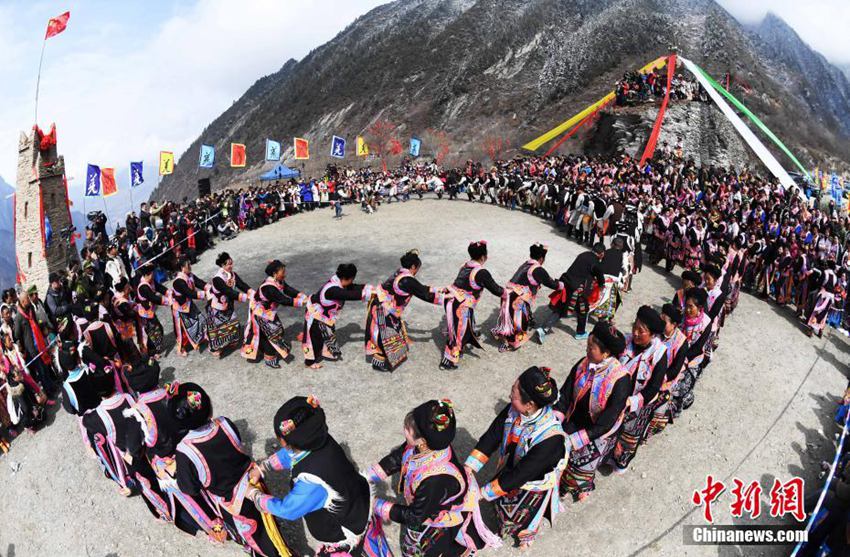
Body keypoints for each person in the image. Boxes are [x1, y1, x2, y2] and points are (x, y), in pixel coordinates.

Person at [170, 382, 292, 556]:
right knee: (268, 522)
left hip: (233, 503)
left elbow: (189, 488)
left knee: (257, 538)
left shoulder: (185, 451)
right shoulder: (224, 423)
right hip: (254, 481)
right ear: (209, 407)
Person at [368, 399, 500, 556]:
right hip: (427, 504)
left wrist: (375, 504)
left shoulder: (434, 479)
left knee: (428, 548)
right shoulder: (427, 445)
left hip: (436, 517)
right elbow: (400, 456)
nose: (405, 430)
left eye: (408, 430)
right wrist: (369, 477)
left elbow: (415, 516)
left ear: (423, 442)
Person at [247, 396, 372, 555]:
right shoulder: (320, 439)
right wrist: (263, 467)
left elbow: (288, 510)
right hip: (357, 504)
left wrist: (254, 494)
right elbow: (291, 454)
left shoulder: (311, 481)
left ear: (283, 442)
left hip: (343, 533)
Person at [465, 367, 566, 549]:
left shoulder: (550, 438)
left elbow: (521, 474)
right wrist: (470, 466)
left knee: (525, 513)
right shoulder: (515, 408)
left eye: (514, 394)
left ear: (529, 405)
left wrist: (481, 493)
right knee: (503, 504)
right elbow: (493, 434)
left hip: (532, 481)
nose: (510, 396)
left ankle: (526, 535)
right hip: (515, 464)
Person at [124, 366, 227, 541]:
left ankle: (215, 527)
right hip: (192, 445)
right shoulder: (171, 393)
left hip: (169, 463)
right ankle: (225, 510)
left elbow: (133, 448)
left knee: (191, 499)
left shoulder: (139, 412)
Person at [556, 322, 629, 501]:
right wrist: (556, 419)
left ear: (606, 354)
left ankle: (581, 484)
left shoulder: (620, 379)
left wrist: (576, 439)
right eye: (588, 346)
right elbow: (565, 392)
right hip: (574, 417)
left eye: (592, 348)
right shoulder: (584, 363)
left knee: (579, 465)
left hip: (596, 429)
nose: (587, 351)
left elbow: (606, 422)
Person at [364, 250, 445, 372]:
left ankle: (382, 357)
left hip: (383, 306)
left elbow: (420, 288)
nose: (417, 271)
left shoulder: (400, 272)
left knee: (391, 334)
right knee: (385, 338)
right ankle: (378, 362)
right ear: (413, 266)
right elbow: (424, 294)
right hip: (384, 310)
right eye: (417, 268)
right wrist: (447, 300)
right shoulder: (407, 280)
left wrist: (439, 289)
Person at [610, 306, 668, 472]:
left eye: (640, 331)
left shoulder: (659, 353)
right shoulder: (626, 342)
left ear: (652, 334)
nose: (635, 333)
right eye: (634, 327)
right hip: (616, 397)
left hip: (638, 402)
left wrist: (631, 401)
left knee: (627, 436)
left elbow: (653, 387)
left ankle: (619, 462)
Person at [440, 241, 503, 370]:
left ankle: (471, 332)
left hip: (454, 299)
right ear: (483, 257)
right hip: (460, 304)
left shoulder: (465, 265)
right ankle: (449, 360)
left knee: (465, 323)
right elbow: (496, 289)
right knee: (459, 332)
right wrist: (507, 293)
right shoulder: (481, 272)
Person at [491, 244, 563, 353]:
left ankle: (504, 336)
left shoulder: (526, 264)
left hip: (507, 295)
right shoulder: (538, 269)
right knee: (517, 323)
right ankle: (510, 342)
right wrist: (561, 285)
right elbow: (552, 284)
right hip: (517, 299)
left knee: (508, 319)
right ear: (542, 258)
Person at [302, 264, 372, 370]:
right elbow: (350, 295)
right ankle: (309, 362)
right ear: (348, 278)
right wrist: (370, 294)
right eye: (352, 279)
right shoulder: (333, 290)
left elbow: (353, 287)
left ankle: (324, 350)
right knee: (315, 339)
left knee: (326, 334)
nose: (352, 282)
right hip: (315, 315)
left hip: (324, 315)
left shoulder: (339, 282)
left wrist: (369, 288)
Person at [242, 260, 307, 368]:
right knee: (272, 334)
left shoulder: (278, 281)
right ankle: (269, 357)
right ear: (274, 274)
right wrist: (302, 302)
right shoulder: (269, 287)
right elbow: (283, 300)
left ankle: (257, 351)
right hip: (260, 313)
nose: (285, 274)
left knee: (271, 332)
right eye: (282, 271)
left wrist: (302, 295)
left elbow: (287, 289)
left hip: (268, 312)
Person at [538, 242, 605, 342]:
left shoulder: (583, 254)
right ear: (601, 254)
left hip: (566, 282)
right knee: (583, 310)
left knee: (561, 308)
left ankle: (543, 329)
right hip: (578, 290)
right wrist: (601, 285)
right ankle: (580, 333)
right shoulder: (595, 261)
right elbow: (600, 275)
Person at [645, 303, 689, 439]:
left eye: (664, 321)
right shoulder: (656, 333)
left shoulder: (681, 342)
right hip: (648, 372)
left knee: (656, 406)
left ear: (674, 324)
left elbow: (675, 370)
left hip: (665, 378)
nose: (660, 323)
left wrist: (658, 378)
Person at [670, 287, 713, 414]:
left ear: (699, 307)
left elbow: (698, 347)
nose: (687, 310)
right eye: (687, 306)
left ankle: (681, 404)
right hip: (676, 352)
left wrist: (682, 359)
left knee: (681, 386)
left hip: (692, 358)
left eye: (691, 307)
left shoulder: (706, 323)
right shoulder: (682, 316)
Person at [206, 252, 252, 358]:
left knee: (233, 323)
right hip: (217, 307)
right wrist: (246, 297)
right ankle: (214, 347)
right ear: (222, 265)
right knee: (218, 329)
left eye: (231, 263)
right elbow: (228, 292)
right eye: (228, 264)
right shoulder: (217, 279)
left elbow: (241, 284)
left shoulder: (232, 274)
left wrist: (252, 292)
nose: (231, 266)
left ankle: (229, 342)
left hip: (228, 304)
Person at [170, 258, 209, 357]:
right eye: (188, 266)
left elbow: (200, 283)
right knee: (183, 329)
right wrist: (204, 294)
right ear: (183, 268)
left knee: (200, 320)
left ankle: (202, 338)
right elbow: (189, 293)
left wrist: (210, 288)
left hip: (188, 304)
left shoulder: (190, 275)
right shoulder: (178, 281)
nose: (190, 267)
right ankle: (181, 348)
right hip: (179, 308)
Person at [136, 265, 169, 358]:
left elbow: (160, 288)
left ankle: (155, 349)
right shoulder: (143, 287)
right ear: (148, 274)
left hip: (150, 312)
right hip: (145, 314)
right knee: (153, 331)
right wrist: (168, 301)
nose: (153, 275)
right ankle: (152, 352)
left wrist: (169, 293)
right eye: (152, 274)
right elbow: (153, 298)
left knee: (157, 330)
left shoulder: (150, 281)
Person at [806, 260, 838, 338]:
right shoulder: (835, 276)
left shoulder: (825, 272)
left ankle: (811, 330)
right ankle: (820, 330)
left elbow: (820, 283)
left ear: (828, 265)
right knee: (824, 313)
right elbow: (835, 286)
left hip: (824, 294)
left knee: (817, 310)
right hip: (830, 297)